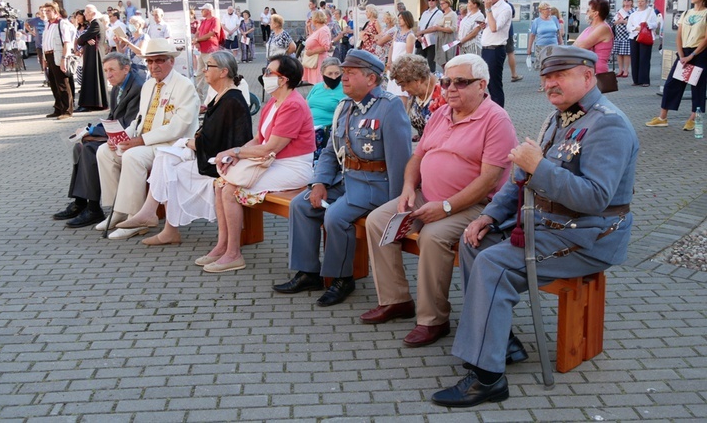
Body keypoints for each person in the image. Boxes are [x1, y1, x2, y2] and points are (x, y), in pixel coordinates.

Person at [431, 45, 638, 408]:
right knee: (473, 241)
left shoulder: (608, 124)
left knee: (494, 265)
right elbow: (519, 181)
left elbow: (594, 199)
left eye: (560, 75)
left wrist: (540, 167)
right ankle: (501, 341)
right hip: (551, 225)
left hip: (590, 236)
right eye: (545, 77)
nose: (550, 84)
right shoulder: (559, 118)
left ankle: (488, 378)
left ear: (588, 76)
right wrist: (488, 216)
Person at [362, 54, 517, 348]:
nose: (450, 88)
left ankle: (433, 319)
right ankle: (396, 300)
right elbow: (418, 156)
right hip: (426, 195)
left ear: (482, 85)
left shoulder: (496, 120)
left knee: (432, 237)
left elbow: (488, 180)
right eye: (446, 81)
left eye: (461, 82)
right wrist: (408, 187)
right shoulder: (442, 113)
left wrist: (445, 207)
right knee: (377, 220)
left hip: (475, 205)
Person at [272, 49, 411, 306]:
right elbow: (329, 152)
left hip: (375, 186)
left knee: (335, 216)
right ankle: (308, 272)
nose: (343, 78)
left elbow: (400, 160)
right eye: (343, 72)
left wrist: (396, 208)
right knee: (300, 205)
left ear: (371, 79)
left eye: (350, 73)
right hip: (346, 181)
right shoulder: (345, 107)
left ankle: (341, 278)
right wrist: (320, 183)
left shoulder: (389, 108)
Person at [115, 51, 253, 245]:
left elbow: (222, 142)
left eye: (209, 66)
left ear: (223, 72)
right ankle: (158, 221)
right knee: (165, 159)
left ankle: (159, 221)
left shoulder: (231, 99)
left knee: (168, 164)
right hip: (213, 154)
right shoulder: (220, 96)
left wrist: (190, 142)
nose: (203, 70)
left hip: (223, 161)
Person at [203, 55, 316, 272]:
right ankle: (223, 245)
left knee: (230, 190)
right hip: (272, 162)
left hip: (293, 167)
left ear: (283, 79)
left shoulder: (293, 105)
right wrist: (235, 156)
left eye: (268, 72)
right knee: (220, 184)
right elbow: (259, 140)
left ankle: (233, 254)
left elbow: (269, 148)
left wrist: (235, 151)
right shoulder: (274, 102)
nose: (263, 75)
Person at [96, 38, 200, 240]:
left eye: (159, 60)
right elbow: (139, 119)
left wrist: (140, 141)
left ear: (171, 61)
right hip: (147, 144)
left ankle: (136, 217)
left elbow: (178, 127)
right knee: (104, 151)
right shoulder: (149, 85)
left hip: (172, 147)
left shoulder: (184, 86)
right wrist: (122, 136)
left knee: (132, 156)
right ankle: (118, 210)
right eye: (150, 62)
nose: (153, 66)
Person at [53, 53, 144, 227]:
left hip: (130, 137)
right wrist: (89, 130)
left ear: (126, 69)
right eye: (106, 71)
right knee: (80, 146)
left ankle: (94, 208)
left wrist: (93, 130)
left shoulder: (137, 87)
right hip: (117, 133)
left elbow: (127, 124)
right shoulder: (118, 85)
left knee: (90, 148)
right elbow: (112, 117)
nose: (108, 75)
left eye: (112, 70)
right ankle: (80, 202)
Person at [646, 0, 707, 131]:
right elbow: (679, 35)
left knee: (698, 88)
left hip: (699, 53)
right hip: (684, 53)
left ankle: (694, 119)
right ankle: (662, 117)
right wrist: (681, 55)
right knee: (671, 84)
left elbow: (705, 38)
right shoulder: (687, 13)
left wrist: (692, 55)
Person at [389, 53, 446, 141]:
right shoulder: (415, 92)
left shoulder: (446, 91)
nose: (402, 90)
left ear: (417, 80)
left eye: (403, 85)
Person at [41, 2, 76, 119]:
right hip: (49, 55)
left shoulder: (62, 23)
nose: (46, 13)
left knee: (63, 84)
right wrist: (44, 58)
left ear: (55, 12)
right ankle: (58, 108)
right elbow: (45, 42)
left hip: (58, 55)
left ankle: (67, 110)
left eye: (48, 11)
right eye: (45, 11)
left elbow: (67, 42)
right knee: (53, 84)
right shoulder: (48, 24)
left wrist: (63, 59)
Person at [480, 0, 512, 107]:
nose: (485, 0)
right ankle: (493, 111)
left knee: (495, 84)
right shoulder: (492, 7)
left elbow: (494, 28)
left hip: (496, 49)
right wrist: (484, 25)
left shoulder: (505, 8)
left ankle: (499, 113)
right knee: (488, 83)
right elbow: (490, 26)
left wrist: (487, 9)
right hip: (487, 48)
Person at [306, 57, 345, 160]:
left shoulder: (344, 90)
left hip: (325, 129)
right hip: (308, 125)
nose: (333, 77)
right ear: (322, 73)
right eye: (330, 74)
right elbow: (305, 105)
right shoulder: (317, 87)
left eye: (337, 73)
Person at [75, 5, 108, 112]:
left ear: (93, 13)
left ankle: (88, 104)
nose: (84, 14)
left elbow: (81, 39)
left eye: (86, 12)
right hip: (92, 54)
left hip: (95, 55)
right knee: (92, 79)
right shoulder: (93, 24)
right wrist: (86, 39)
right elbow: (85, 38)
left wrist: (84, 39)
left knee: (91, 78)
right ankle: (93, 103)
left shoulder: (96, 23)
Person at [573, 0, 613, 75]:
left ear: (596, 13)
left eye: (588, 10)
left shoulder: (603, 28)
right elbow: (574, 46)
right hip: (586, 69)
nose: (586, 12)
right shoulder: (589, 29)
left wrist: (577, 45)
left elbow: (582, 46)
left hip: (597, 72)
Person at [385, 11, 417, 103]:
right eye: (399, 18)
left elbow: (408, 55)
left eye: (401, 18)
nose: (399, 20)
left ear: (407, 20)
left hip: (402, 67)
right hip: (394, 65)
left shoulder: (410, 35)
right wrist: (389, 61)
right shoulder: (397, 32)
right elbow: (392, 47)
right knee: (391, 92)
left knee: (401, 92)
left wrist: (403, 67)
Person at [192, 3, 222, 98]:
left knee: (212, 73)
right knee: (200, 73)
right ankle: (198, 95)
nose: (201, 12)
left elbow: (212, 33)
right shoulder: (204, 21)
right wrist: (195, 39)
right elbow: (198, 32)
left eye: (203, 10)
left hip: (210, 50)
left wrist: (197, 40)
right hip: (202, 50)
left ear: (208, 11)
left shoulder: (215, 20)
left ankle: (214, 95)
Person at [627, 0, 658, 87]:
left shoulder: (650, 12)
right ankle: (636, 80)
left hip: (645, 36)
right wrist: (635, 28)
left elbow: (655, 24)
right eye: (639, 1)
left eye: (642, 1)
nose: (640, 3)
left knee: (644, 58)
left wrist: (647, 25)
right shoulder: (633, 14)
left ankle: (644, 80)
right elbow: (628, 27)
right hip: (634, 36)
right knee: (635, 58)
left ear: (646, 2)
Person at [528, 2, 562, 71]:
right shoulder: (536, 21)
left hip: (553, 46)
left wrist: (561, 44)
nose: (549, 10)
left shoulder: (554, 19)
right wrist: (529, 49)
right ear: (541, 10)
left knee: (553, 67)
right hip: (541, 47)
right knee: (543, 68)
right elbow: (532, 35)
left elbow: (559, 33)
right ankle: (543, 82)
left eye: (550, 8)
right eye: (547, 9)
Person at [302, 10, 331, 85]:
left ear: (316, 19)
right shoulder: (319, 29)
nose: (310, 19)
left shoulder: (323, 30)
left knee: (319, 83)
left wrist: (311, 52)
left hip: (318, 61)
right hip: (315, 61)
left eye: (311, 17)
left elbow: (326, 47)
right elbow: (313, 37)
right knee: (316, 83)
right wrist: (309, 27)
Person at [416, 0, 444, 72]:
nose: (431, 1)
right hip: (422, 39)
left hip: (431, 41)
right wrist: (419, 35)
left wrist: (421, 32)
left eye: (433, 0)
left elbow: (435, 28)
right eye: (429, 0)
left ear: (436, 2)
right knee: (418, 60)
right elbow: (419, 25)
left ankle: (432, 79)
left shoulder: (439, 13)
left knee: (431, 62)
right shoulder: (425, 13)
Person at [431, 0, 459, 71]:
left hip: (447, 40)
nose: (441, 5)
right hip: (440, 40)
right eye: (440, 4)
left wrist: (439, 28)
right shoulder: (443, 14)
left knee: (448, 60)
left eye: (443, 3)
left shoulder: (452, 14)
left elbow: (452, 28)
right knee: (442, 61)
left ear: (448, 3)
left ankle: (448, 77)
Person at [500, 0, 523, 82]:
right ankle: (514, 74)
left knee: (499, 53)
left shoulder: (494, 6)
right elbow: (513, 15)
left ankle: (497, 75)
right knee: (510, 52)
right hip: (508, 32)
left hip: (497, 33)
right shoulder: (509, 5)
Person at [613, 0, 635, 78]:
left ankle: (626, 70)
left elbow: (634, 22)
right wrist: (618, 21)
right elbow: (614, 22)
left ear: (632, 2)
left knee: (626, 54)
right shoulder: (620, 11)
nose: (626, 1)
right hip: (619, 35)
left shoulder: (633, 11)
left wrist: (624, 21)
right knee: (619, 53)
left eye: (629, 0)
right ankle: (620, 70)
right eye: (625, 0)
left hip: (627, 34)